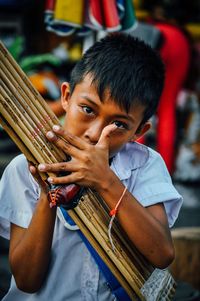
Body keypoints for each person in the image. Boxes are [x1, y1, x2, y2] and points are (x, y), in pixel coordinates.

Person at [0, 33, 182, 300]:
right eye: (87, 109)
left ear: (139, 131)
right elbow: (27, 280)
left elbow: (162, 253)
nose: (96, 133)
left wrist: (106, 181)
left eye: (119, 124)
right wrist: (46, 195)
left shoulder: (143, 165)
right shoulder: (24, 169)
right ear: (66, 97)